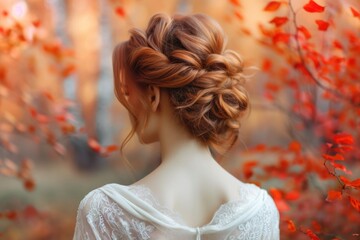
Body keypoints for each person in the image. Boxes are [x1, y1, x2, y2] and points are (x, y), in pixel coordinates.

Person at [73, 13, 280, 240]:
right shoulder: (261, 212)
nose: (128, 106)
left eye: (128, 93)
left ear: (153, 95)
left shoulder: (104, 214)